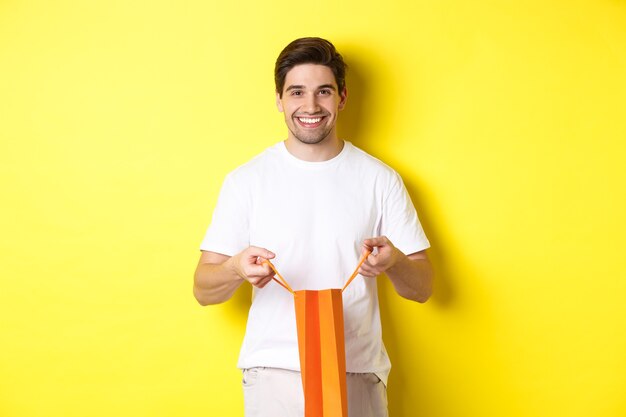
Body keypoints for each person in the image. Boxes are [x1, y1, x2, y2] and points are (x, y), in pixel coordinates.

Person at [194, 37, 433, 417]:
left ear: (342, 98)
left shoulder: (380, 179)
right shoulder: (246, 181)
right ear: (279, 100)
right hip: (274, 373)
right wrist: (236, 267)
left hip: (357, 370)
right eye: (297, 92)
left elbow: (423, 288)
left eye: (323, 91)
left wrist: (394, 263)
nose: (310, 106)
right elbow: (204, 290)